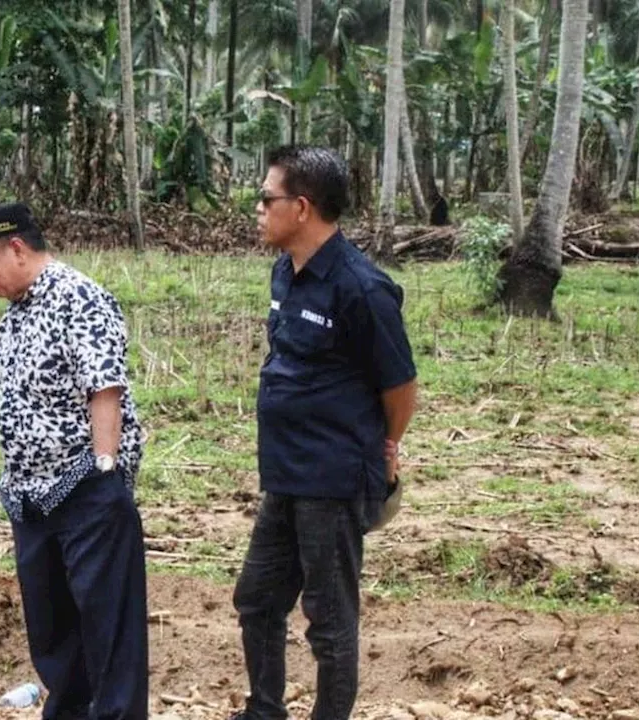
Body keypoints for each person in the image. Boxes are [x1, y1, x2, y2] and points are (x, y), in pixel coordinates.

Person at [230, 145, 418, 720]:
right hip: (285, 475)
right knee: (257, 599)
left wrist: (384, 450)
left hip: (332, 480)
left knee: (329, 620)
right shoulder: (286, 271)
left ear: (303, 207)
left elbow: (401, 387)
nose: (258, 209)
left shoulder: (362, 288)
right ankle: (265, 711)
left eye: (267, 198)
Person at [0, 202, 148, 720]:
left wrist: (105, 470)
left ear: (16, 246)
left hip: (85, 489)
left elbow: (104, 387)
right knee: (53, 630)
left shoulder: (78, 297)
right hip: (32, 497)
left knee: (108, 627)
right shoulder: (16, 315)